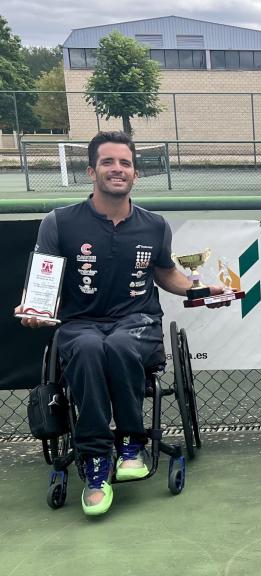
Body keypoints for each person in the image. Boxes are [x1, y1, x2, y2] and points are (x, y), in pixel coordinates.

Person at [14, 131, 230, 516]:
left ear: (135, 174)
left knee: (118, 345)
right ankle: (97, 461)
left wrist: (200, 291)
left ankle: (132, 443)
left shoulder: (154, 225)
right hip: (81, 324)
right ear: (91, 171)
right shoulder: (59, 223)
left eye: (125, 163)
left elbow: (167, 274)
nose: (117, 169)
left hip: (138, 322)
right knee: (89, 347)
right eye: (108, 162)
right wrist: (35, 309)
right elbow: (44, 282)